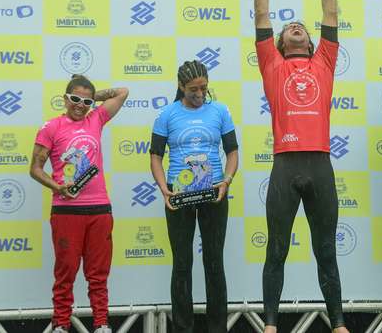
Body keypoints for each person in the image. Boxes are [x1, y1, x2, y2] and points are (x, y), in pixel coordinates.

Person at [254, 0, 350, 333]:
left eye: (302, 28)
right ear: (278, 43)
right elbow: (261, 12)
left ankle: (339, 323)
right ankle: (272, 324)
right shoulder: (272, 64)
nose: (296, 26)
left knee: (326, 250)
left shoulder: (324, 61)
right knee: (276, 249)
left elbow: (330, 10)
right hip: (285, 164)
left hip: (319, 163)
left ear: (312, 43)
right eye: (289, 27)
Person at [30, 76, 128, 333]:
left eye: (85, 101)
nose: (80, 105)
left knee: (98, 275)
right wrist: (56, 186)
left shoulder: (95, 118)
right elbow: (35, 168)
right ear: (64, 98)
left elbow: (122, 92)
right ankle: (61, 324)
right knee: (66, 273)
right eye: (74, 99)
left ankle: (101, 324)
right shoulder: (51, 127)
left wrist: (91, 99)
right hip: (66, 210)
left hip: (99, 209)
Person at [149, 60, 239, 333]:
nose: (199, 94)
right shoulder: (167, 115)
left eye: (203, 88)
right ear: (180, 86)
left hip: (214, 193)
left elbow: (233, 152)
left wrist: (226, 181)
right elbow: (155, 156)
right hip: (179, 196)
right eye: (193, 89)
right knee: (182, 264)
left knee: (214, 262)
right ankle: (182, 328)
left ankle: (217, 329)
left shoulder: (220, 111)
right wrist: (164, 188)